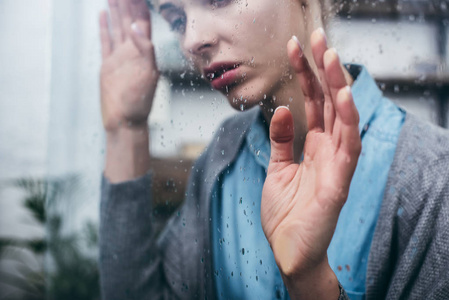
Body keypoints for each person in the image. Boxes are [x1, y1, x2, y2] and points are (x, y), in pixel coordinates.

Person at [98, 0, 449, 299]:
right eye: (176, 19)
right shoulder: (223, 157)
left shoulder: (434, 181)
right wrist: (125, 130)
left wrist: (313, 283)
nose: (193, 39)